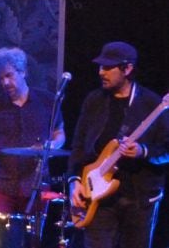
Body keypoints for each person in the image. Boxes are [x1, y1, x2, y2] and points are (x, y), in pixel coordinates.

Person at [68, 41, 169, 248]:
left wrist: (143, 151)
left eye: (107, 67)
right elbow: (78, 144)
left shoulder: (152, 104)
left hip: (138, 197)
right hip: (97, 196)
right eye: (100, 66)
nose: (100, 72)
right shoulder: (94, 100)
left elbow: (166, 150)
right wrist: (74, 180)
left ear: (128, 69)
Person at [0, 47, 66, 213]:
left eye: (9, 75)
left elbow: (59, 133)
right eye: (1, 78)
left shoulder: (48, 101)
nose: (5, 82)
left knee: (31, 238)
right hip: (1, 182)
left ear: (23, 72)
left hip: (36, 182)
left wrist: (52, 146)